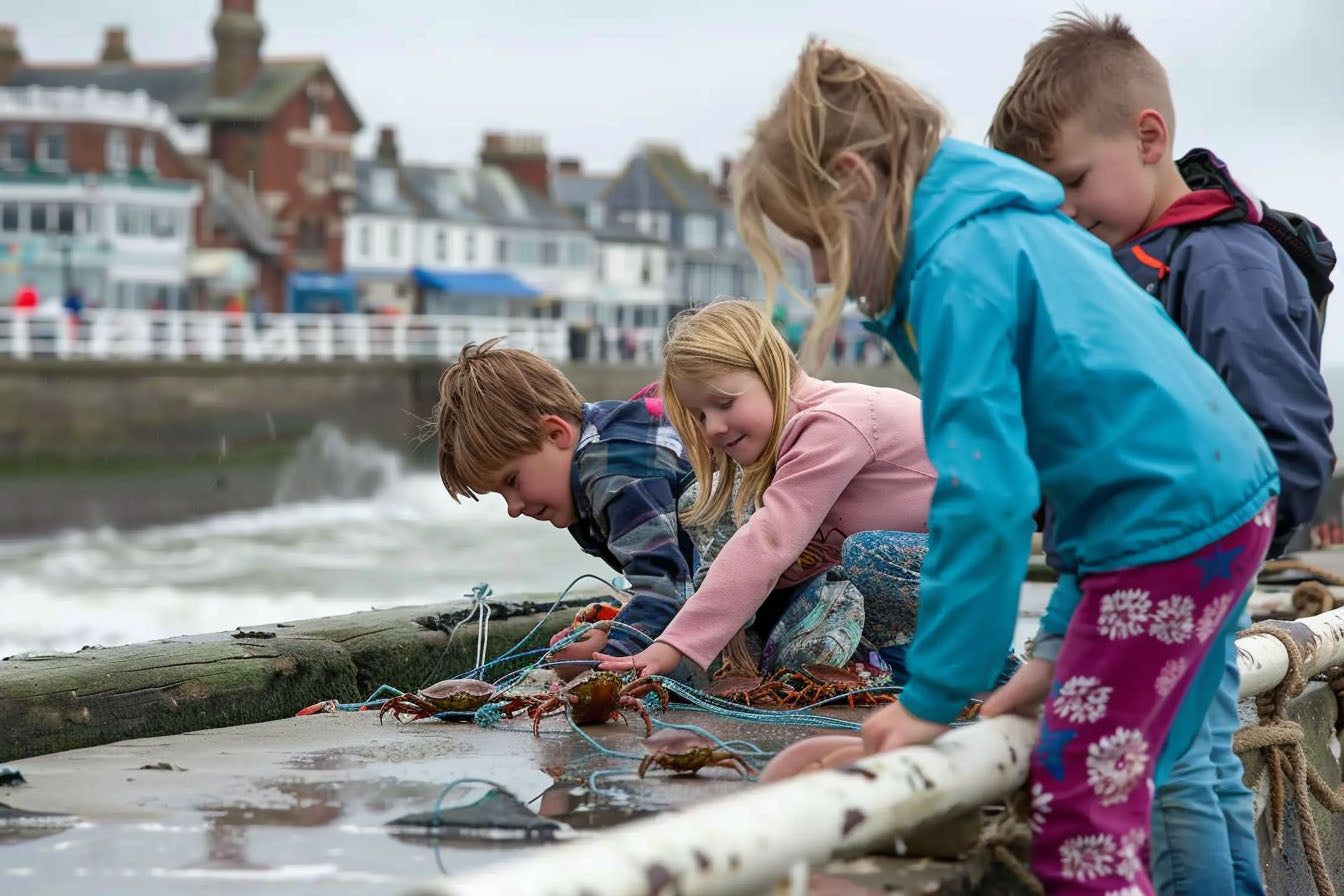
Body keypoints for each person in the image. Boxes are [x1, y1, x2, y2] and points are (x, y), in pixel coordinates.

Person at [731, 40, 1278, 895]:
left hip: (1170, 533)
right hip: (1213, 510)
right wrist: (1061, 645)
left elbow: (986, 496)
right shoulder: (1007, 229)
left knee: (1081, 801)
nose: (825, 271)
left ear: (854, 182)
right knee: (1176, 763)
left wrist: (932, 697)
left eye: (816, 240)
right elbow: (1092, 467)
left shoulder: (957, 269)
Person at [988, 14, 1334, 894]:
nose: (1067, 213)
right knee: (1205, 766)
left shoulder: (1221, 264)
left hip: (1184, 565)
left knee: (1164, 778)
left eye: (1072, 182)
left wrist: (1215, 554)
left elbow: (1289, 441)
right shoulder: (1143, 263)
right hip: (1171, 560)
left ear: (1149, 137)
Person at [594, 299, 942, 682]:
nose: (713, 428)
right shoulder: (790, 441)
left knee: (864, 556)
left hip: (980, 558)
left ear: (769, 371)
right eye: (700, 416)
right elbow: (768, 566)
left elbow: (769, 542)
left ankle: (955, 671)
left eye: (724, 403)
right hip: (932, 561)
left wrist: (675, 646)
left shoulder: (830, 424)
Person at [434, 339, 697, 677]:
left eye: (512, 481)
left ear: (556, 433)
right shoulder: (599, 445)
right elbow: (668, 576)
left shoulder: (611, 471)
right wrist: (607, 631)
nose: (513, 508)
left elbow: (665, 588)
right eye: (501, 495)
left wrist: (602, 669)